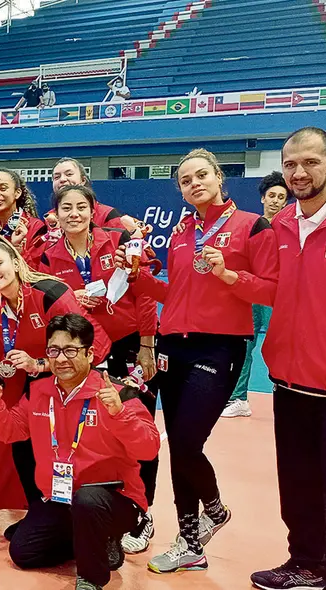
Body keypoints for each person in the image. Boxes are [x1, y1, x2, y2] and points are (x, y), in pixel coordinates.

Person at [116, 148, 278, 573]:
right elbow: (177, 294)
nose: (194, 184)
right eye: (186, 180)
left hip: (218, 347)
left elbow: (272, 290)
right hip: (175, 345)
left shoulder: (251, 226)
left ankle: (216, 509)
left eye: (201, 175)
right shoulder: (183, 232)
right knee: (179, 448)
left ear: (219, 177)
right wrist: (139, 279)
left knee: (187, 443)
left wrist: (229, 276)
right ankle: (190, 542)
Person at [251, 128, 326, 590]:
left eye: (310, 162)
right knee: (298, 486)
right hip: (288, 381)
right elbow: (275, 291)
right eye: (290, 164)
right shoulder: (282, 224)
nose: (299, 173)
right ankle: (306, 563)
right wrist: (228, 277)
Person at [0, 313, 159, 590]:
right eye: (54, 350)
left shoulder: (117, 394)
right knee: (23, 552)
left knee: (88, 499)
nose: (61, 359)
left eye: (71, 350)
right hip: (62, 498)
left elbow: (149, 448)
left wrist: (119, 414)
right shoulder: (39, 392)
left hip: (115, 498)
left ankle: (91, 578)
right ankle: (93, 542)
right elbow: (11, 431)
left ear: (89, 353)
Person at [38, 185, 160, 553]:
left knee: (137, 426)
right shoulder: (48, 258)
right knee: (96, 429)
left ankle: (142, 512)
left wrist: (147, 344)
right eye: (65, 208)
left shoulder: (118, 239)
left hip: (131, 344)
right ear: (55, 216)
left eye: (80, 207)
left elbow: (145, 289)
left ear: (93, 211)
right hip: (89, 351)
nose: (73, 214)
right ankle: (95, 516)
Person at [0, 235, 112, 540]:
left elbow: (91, 348)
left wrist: (39, 364)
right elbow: (12, 344)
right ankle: (40, 514)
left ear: (15, 261)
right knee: (23, 445)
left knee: (68, 449)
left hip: (78, 376)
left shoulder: (50, 293)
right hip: (41, 379)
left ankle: (97, 527)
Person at [223, 171, 288, 419]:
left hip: (276, 296)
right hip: (251, 295)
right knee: (245, 346)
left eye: (281, 197)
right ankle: (239, 398)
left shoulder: (289, 229)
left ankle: (283, 389)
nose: (275, 200)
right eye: (271, 195)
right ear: (262, 198)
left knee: (279, 344)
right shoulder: (251, 225)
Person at [0, 168, 47, 265]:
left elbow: (38, 273)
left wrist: (19, 251)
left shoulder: (35, 228)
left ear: (17, 193)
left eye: (3, 188)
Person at [47, 158, 136, 232]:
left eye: (69, 174)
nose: (62, 179)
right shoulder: (49, 217)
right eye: (57, 177)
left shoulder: (107, 214)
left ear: (83, 180)